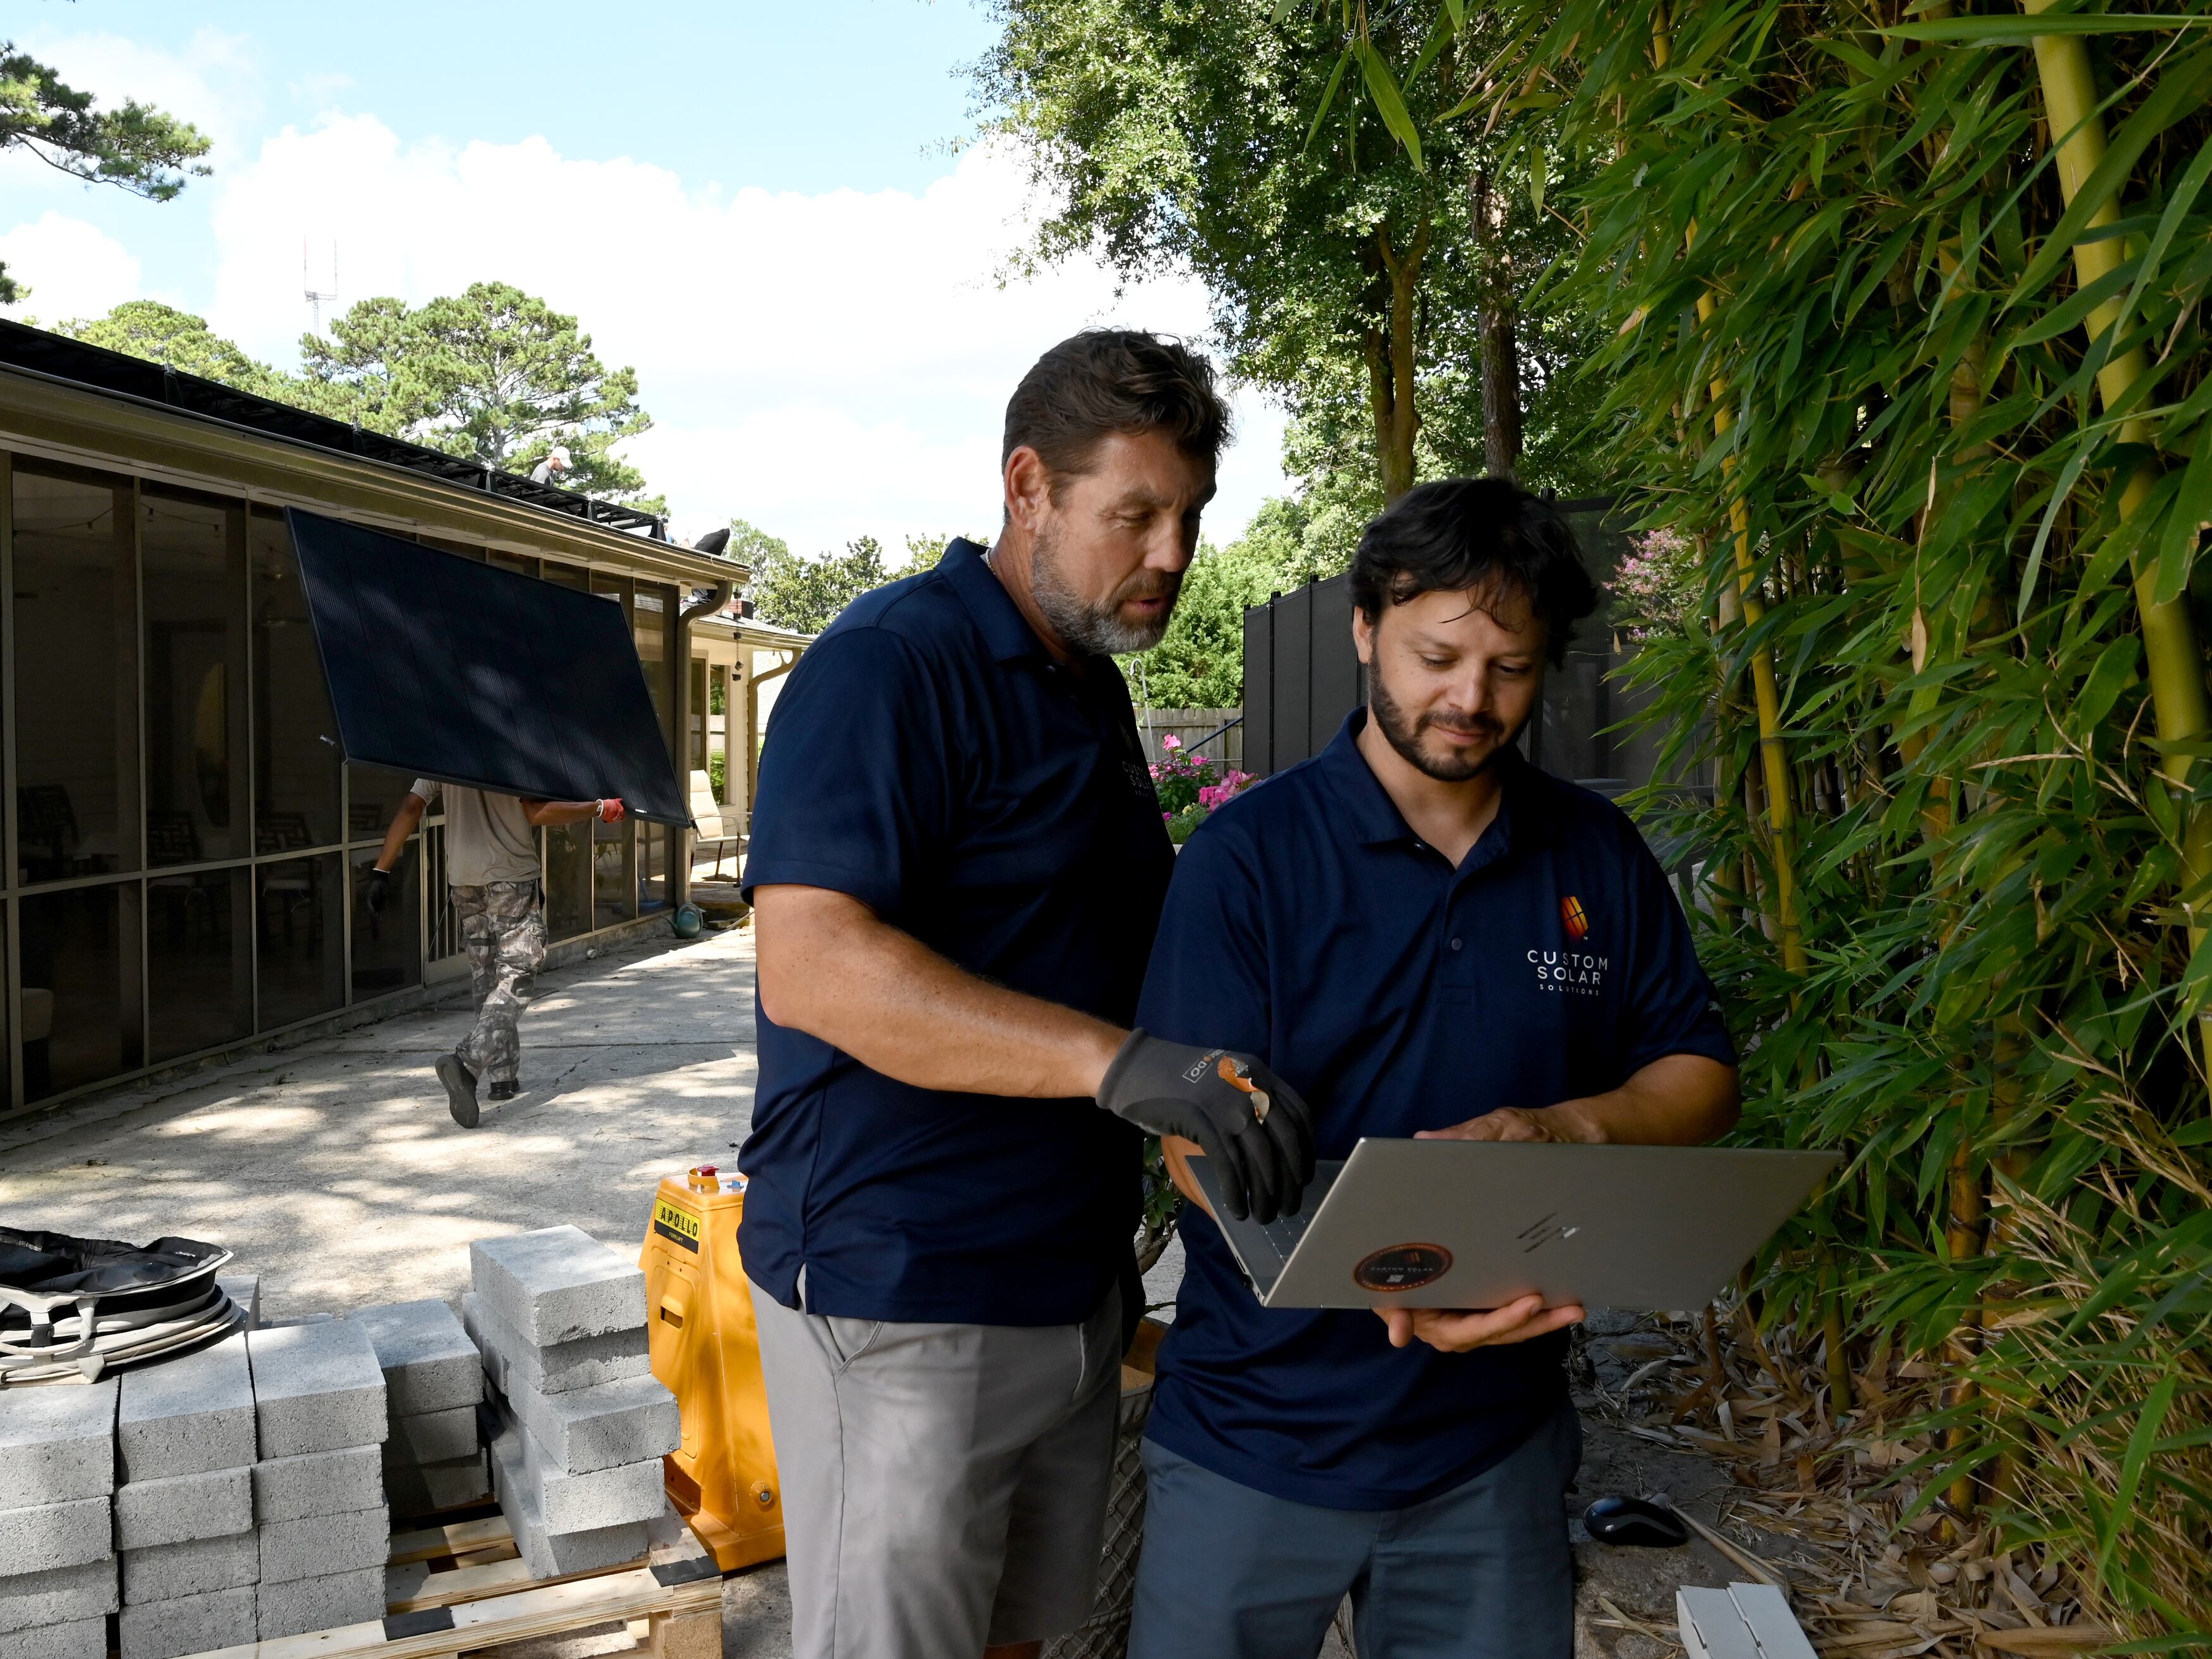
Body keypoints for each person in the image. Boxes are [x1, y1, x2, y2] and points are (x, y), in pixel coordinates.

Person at [740, 330, 1318, 1659]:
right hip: (902, 1298)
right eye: (1136, 514)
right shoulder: (891, 664)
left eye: (1189, 516)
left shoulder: (1091, 688)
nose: (1172, 552)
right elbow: (813, 963)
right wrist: (1122, 1065)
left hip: (1070, 1283)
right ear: (1027, 489)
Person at [1125, 477, 1742, 1659]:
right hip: (1256, 1435)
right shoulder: (1248, 861)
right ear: (1365, 628)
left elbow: (1699, 1072)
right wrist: (1389, 1275)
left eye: (1510, 667)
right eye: (1436, 654)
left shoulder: (1592, 851)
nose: (1470, 697)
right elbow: (1196, 1145)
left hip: (1492, 1449)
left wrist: (1569, 1127)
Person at [364, 781, 624, 1127]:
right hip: (511, 877)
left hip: (464, 880)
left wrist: (382, 870)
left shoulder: (443, 748)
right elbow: (537, 811)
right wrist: (599, 807)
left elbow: (412, 806)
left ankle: (502, 1077)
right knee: (516, 976)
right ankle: (467, 1063)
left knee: (486, 978)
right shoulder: (513, 745)